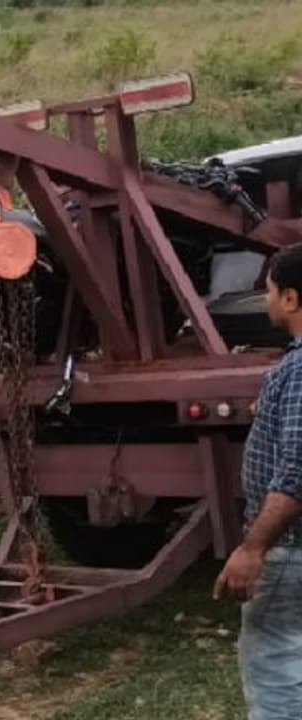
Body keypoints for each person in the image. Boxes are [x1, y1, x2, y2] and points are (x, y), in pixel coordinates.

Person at [215, 243, 302, 720]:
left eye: (268, 291)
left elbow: (298, 468)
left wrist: (253, 548)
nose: (266, 301)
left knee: (276, 671)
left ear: (290, 298)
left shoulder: (300, 369)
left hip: (291, 548)